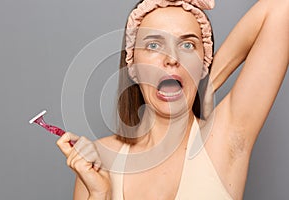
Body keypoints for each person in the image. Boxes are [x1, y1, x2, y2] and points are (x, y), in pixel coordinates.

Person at [56, 0, 288, 199]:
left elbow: (281, 8)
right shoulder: (100, 158)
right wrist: (98, 195)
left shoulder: (225, 140)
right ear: (133, 66)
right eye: (154, 45)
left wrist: (209, 83)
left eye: (187, 45)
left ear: (203, 63)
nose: (172, 59)